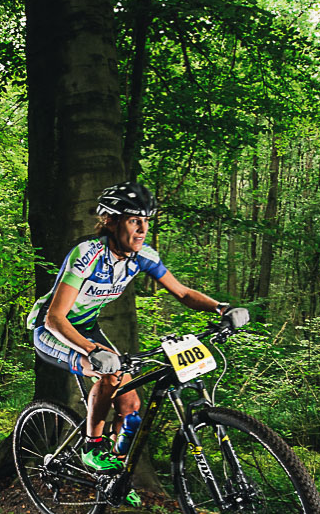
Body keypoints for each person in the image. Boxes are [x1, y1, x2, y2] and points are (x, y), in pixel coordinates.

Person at [24, 181, 237, 487]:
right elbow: (56, 319)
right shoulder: (87, 255)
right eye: (135, 220)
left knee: (130, 407)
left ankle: (113, 478)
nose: (143, 229)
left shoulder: (142, 256)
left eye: (147, 221)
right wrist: (91, 351)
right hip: (51, 331)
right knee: (109, 375)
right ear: (110, 220)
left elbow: (183, 293)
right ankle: (91, 447)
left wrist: (221, 308)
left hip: (85, 328)